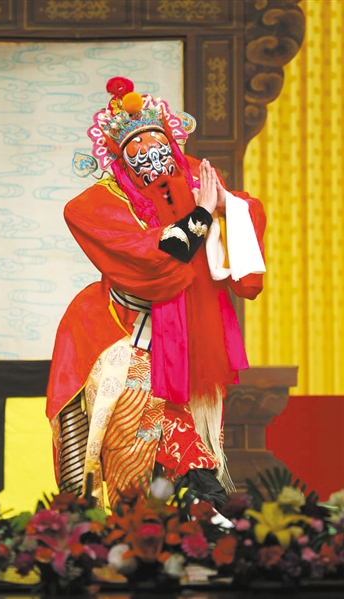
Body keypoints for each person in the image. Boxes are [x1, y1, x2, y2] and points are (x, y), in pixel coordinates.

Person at [46, 77, 266, 511]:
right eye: (140, 153)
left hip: (191, 338)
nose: (154, 160)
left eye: (161, 148)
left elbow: (247, 207)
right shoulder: (95, 205)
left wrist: (225, 206)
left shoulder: (192, 177)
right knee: (132, 438)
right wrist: (203, 212)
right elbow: (159, 255)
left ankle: (200, 514)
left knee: (195, 442)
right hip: (126, 337)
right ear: (120, 160)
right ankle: (130, 520)